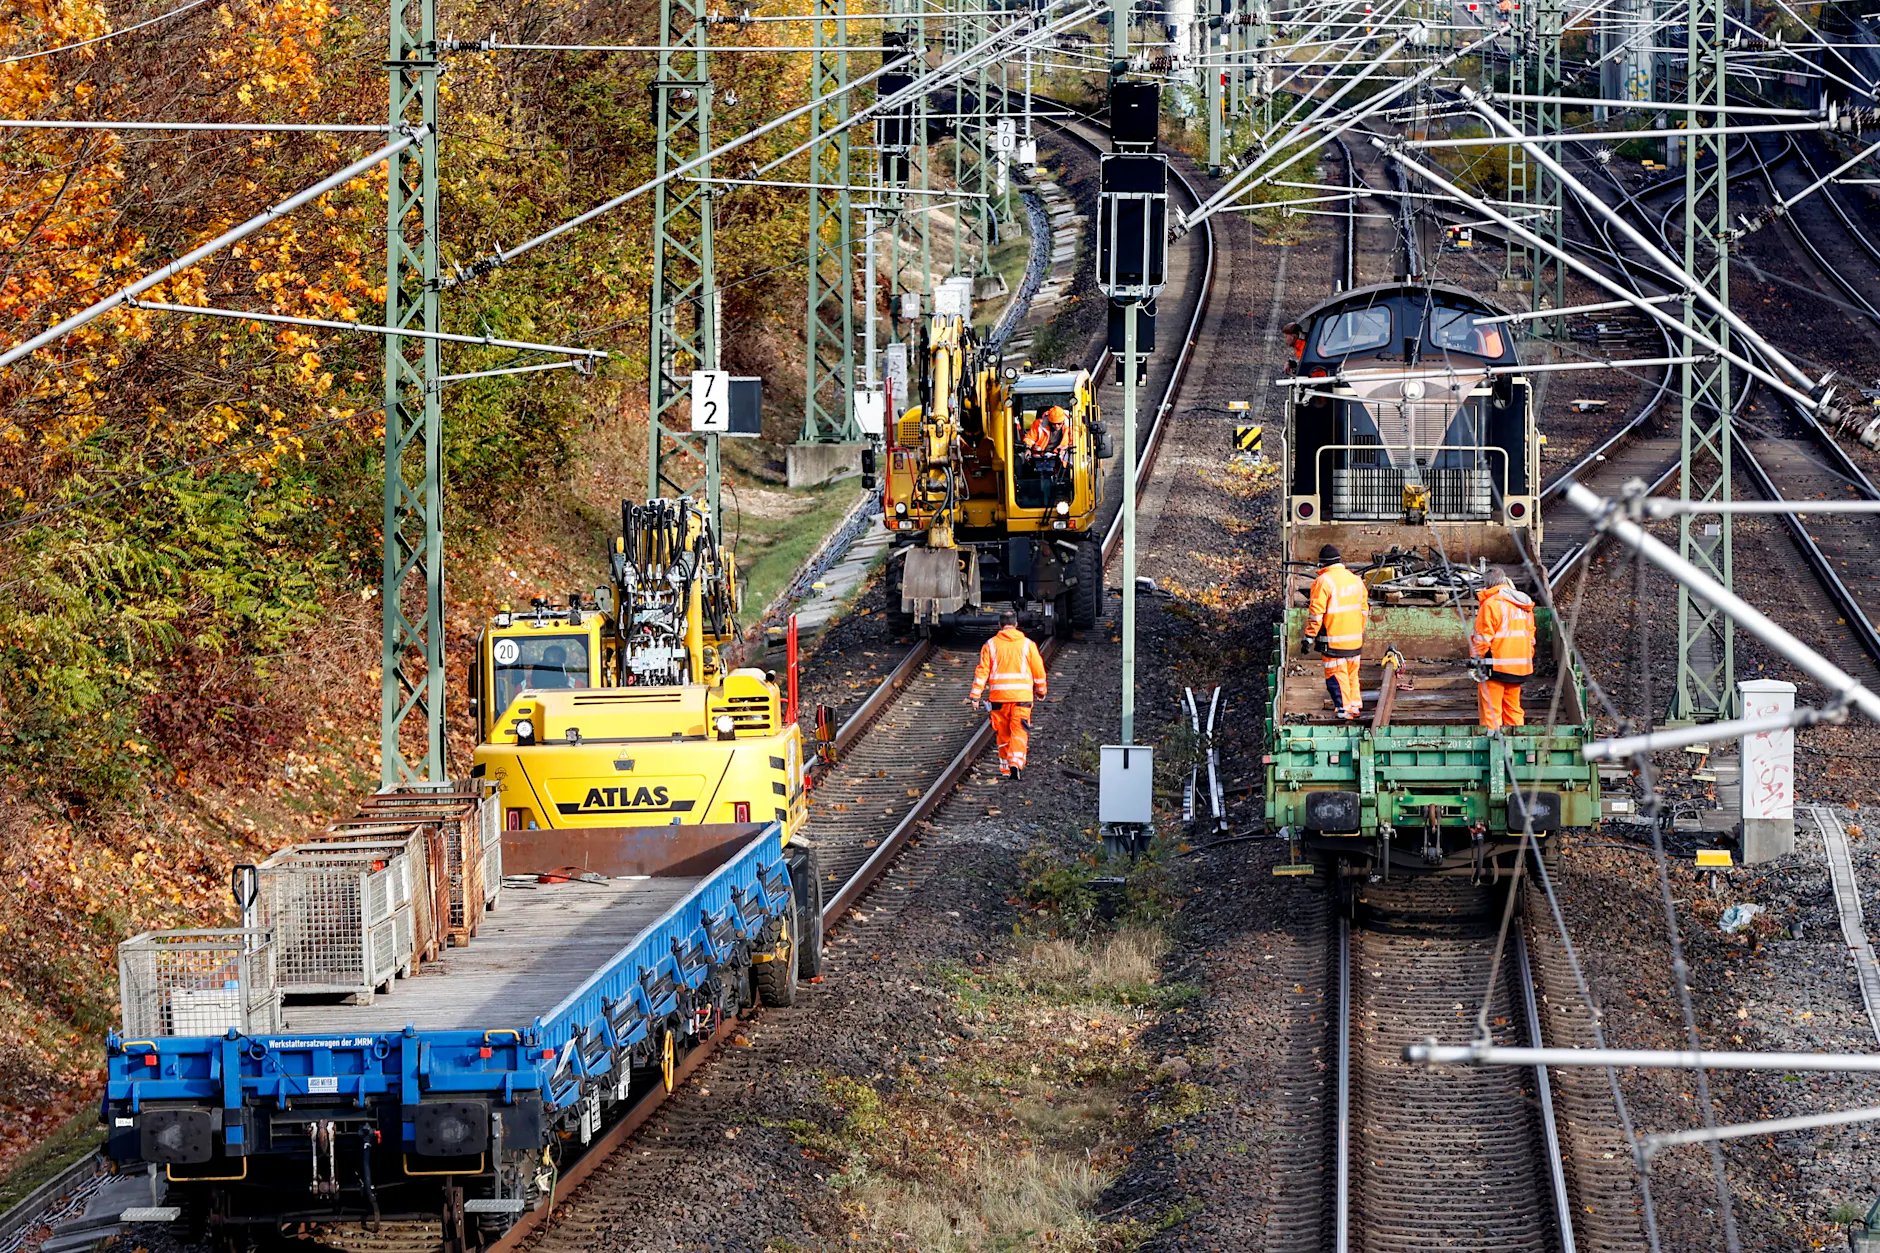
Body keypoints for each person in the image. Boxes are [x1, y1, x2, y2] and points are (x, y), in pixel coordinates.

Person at [967, 609, 1047, 780]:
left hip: (999, 699)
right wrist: (1041, 691)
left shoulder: (990, 645)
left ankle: (1005, 768)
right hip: (1022, 699)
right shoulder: (1028, 644)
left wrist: (975, 696)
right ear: (1016, 625)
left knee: (1003, 733)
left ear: (999, 625)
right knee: (1019, 731)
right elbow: (1038, 671)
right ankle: (1015, 764)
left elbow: (982, 672)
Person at [1303, 543, 1367, 720]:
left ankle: (1344, 709)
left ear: (1322, 563)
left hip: (1334, 641)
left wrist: (1309, 637)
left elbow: (1316, 613)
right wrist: (1357, 630)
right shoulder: (1356, 580)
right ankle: (1354, 706)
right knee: (1351, 674)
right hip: (1354, 640)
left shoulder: (1323, 581)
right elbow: (1364, 611)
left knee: (1336, 676)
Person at [1471, 568, 1537, 730]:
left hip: (1495, 668)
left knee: (1491, 713)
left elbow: (1482, 639)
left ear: (1487, 584)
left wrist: (1475, 662)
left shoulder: (1491, 605)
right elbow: (1531, 638)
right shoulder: (1523, 605)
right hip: (1519, 668)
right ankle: (1517, 748)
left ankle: (1494, 750)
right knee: (1513, 710)